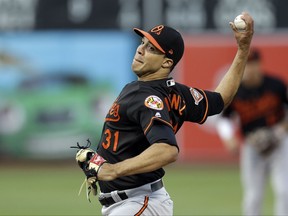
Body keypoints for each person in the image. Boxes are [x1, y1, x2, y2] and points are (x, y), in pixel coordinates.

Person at [75, 12, 254, 216]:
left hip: (137, 202)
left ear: (167, 63)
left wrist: (114, 170)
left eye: (151, 49)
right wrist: (243, 48)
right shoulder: (176, 92)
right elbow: (221, 99)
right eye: (142, 42)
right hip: (135, 202)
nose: (140, 50)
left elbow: (167, 150)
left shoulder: (149, 98)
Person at [216, 49, 288, 216]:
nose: (250, 68)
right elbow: (224, 118)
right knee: (253, 196)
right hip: (252, 146)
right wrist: (229, 138)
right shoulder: (235, 91)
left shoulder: (276, 85)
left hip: (279, 144)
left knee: (284, 190)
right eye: (247, 65)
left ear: (259, 65)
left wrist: (279, 130)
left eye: (253, 64)